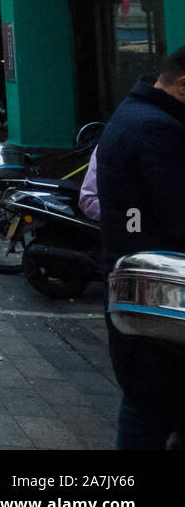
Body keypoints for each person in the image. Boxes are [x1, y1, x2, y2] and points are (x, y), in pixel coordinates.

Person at [95, 48, 185, 450]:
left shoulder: (135, 114)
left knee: (152, 402)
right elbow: (177, 215)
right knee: (151, 404)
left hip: (140, 285)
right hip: (159, 290)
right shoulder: (157, 129)